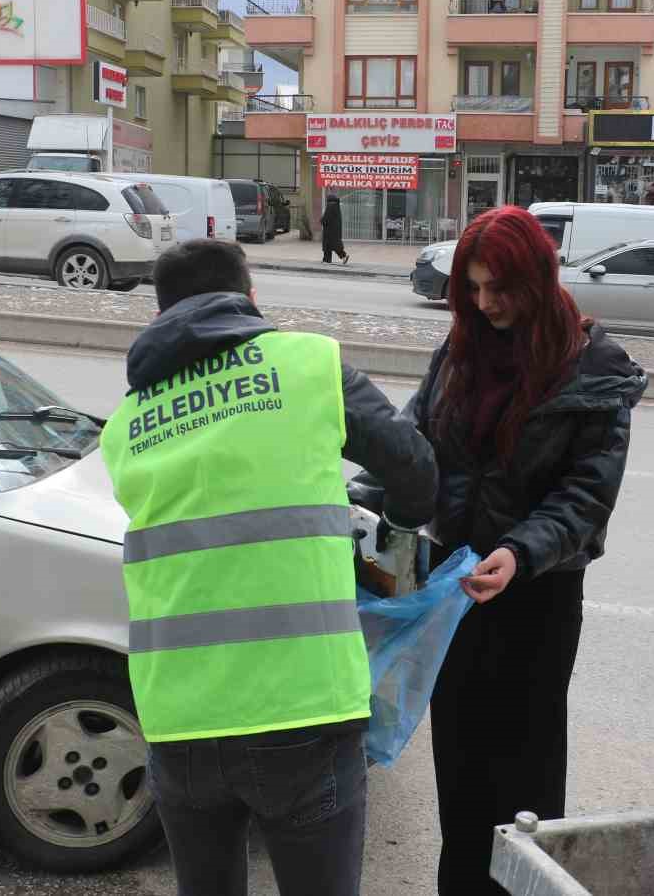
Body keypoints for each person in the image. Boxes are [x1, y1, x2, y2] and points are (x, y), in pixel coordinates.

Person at [99, 238, 436, 896]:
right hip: (301, 709)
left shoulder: (126, 426)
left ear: (161, 313)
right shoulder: (307, 364)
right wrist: (388, 545)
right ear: (250, 300)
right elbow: (415, 469)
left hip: (179, 717)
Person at [403, 205, 646, 896]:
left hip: (536, 595)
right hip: (454, 588)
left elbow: (586, 492)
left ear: (536, 279)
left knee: (525, 779)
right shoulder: (459, 352)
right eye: (473, 289)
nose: (485, 304)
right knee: (459, 768)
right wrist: (370, 494)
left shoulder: (592, 367)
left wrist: (519, 550)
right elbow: (413, 442)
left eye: (498, 289)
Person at [321, 193, 350, 265]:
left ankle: (327, 260)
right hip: (335, 230)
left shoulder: (330, 206)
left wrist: (321, 220)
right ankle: (344, 256)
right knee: (335, 245)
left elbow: (326, 218)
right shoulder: (336, 206)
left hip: (329, 230)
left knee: (328, 245)